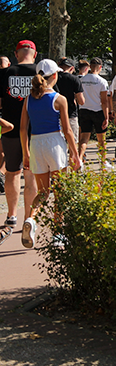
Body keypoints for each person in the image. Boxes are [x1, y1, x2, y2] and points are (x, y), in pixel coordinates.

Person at [19, 59, 81, 248]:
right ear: (55, 76)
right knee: (60, 192)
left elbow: (23, 129)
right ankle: (58, 235)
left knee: (43, 192)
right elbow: (68, 130)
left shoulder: (28, 99)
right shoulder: (59, 99)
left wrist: (26, 153)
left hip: (36, 143)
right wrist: (76, 154)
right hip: (54, 143)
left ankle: (30, 219)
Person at [0, 41, 40, 244]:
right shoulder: (41, 73)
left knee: (12, 173)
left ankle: (11, 216)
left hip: (11, 130)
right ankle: (29, 218)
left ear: (16, 54)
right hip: (36, 132)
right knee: (31, 175)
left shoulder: (5, 74)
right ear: (34, 54)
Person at [77, 58, 111, 168]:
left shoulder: (81, 80)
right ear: (100, 67)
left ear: (90, 67)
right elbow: (104, 101)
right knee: (101, 139)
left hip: (84, 110)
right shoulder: (102, 81)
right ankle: (103, 161)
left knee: (84, 139)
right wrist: (106, 117)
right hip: (97, 111)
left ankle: (80, 160)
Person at [54, 57, 85, 143]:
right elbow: (81, 101)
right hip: (70, 114)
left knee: (58, 142)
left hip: (56, 114)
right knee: (73, 141)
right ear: (72, 68)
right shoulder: (74, 79)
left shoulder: (53, 78)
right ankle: (72, 156)